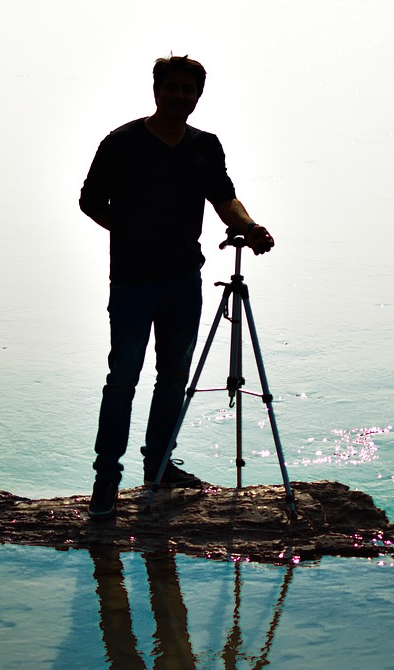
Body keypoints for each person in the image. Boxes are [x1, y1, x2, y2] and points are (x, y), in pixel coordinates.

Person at [79, 54, 274, 519]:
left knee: (173, 380)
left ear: (198, 95)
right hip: (132, 281)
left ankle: (159, 466)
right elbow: (89, 200)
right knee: (123, 378)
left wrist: (250, 226)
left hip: (184, 280)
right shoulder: (121, 142)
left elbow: (224, 197)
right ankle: (107, 476)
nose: (180, 96)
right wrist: (130, 233)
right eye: (172, 87)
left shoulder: (204, 146)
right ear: (156, 90)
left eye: (188, 89)